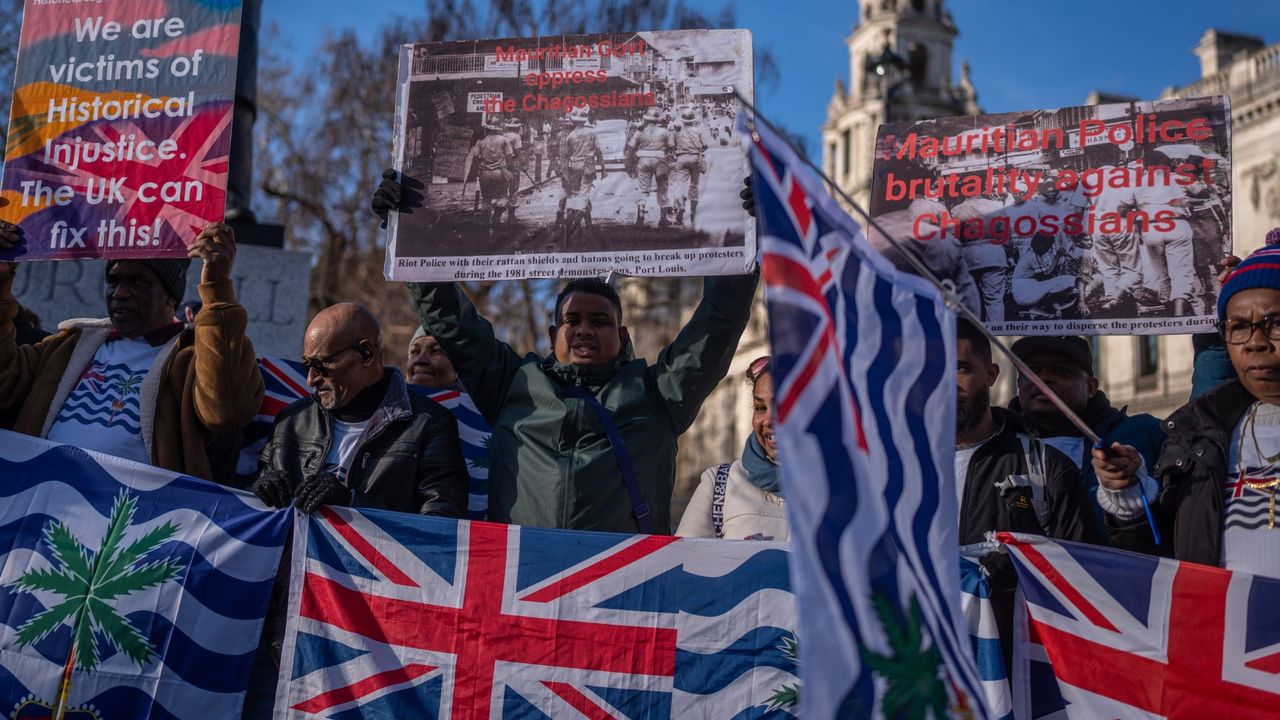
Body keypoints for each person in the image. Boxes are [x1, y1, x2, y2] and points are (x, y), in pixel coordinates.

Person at [376, 170, 757, 532]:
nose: (585, 330)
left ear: (623, 336)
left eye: (600, 321)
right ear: (553, 333)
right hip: (520, 588)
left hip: (622, 590)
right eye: (573, 320)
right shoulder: (512, 384)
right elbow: (449, 319)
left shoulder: (659, 395)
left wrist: (748, 235)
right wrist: (408, 229)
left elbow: (718, 323)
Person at [0, 221, 262, 483]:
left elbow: (226, 412)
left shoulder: (193, 357)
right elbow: (4, 382)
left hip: (133, 518)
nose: (120, 293)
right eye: (113, 281)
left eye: (138, 281)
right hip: (39, 503)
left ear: (171, 296)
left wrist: (217, 288)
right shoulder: (67, 346)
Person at [1102, 246, 1280, 574]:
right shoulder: (1195, 439)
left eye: (1276, 323)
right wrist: (1129, 496)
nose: (1256, 342)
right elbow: (1161, 570)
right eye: (1239, 326)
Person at [954, 319, 1096, 676]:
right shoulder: (887, 469)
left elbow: (1083, 588)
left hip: (1018, 679)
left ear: (991, 374)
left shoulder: (1048, 469)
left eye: (960, 368)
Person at [252, 303, 468, 516]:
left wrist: (353, 504)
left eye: (321, 365)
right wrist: (259, 492)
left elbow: (440, 526)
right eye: (307, 365)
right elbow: (255, 519)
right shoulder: (290, 421)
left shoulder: (430, 425)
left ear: (365, 353)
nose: (311, 379)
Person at [1006, 335, 1165, 537]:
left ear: (1090, 387)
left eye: (1060, 370)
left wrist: (1129, 492)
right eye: (1033, 370)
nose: (1043, 378)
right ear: (1019, 383)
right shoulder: (995, 448)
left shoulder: (1145, 434)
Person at [677, 356, 785, 541]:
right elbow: (683, 562)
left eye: (782, 406)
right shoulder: (719, 485)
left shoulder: (845, 487)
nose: (768, 420)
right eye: (760, 408)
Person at [406, 325, 492, 520]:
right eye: (414, 352)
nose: (421, 360)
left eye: (437, 351)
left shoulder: (492, 412)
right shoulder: (383, 411)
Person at [626, 107, 674, 227]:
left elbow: (631, 148)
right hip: (660, 160)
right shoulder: (665, 132)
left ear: (647, 119)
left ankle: (641, 216)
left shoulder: (639, 132)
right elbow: (671, 146)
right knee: (662, 188)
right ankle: (663, 218)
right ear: (657, 120)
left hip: (643, 161)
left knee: (643, 188)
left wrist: (631, 163)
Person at [559, 109, 604, 233]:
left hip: (574, 165)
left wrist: (565, 172)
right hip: (587, 164)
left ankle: (586, 221)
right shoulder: (592, 132)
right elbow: (598, 151)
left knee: (577, 192)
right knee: (584, 193)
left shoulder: (570, 136)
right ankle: (577, 217)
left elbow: (566, 155)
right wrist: (603, 167)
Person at [462, 122, 516, 226]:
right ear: (498, 129)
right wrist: (511, 171)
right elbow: (509, 159)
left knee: (486, 199)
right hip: (500, 173)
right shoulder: (504, 140)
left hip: (484, 173)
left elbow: (475, 156)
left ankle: (485, 221)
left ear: (488, 129)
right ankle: (497, 215)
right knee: (503, 196)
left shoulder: (481, 141)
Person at [672, 109, 708, 228]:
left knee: (680, 184)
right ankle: (693, 214)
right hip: (695, 159)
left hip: (681, 158)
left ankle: (681, 206)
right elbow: (705, 145)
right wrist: (699, 151)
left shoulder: (677, 132)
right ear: (693, 120)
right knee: (694, 185)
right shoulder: (698, 131)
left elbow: (672, 145)